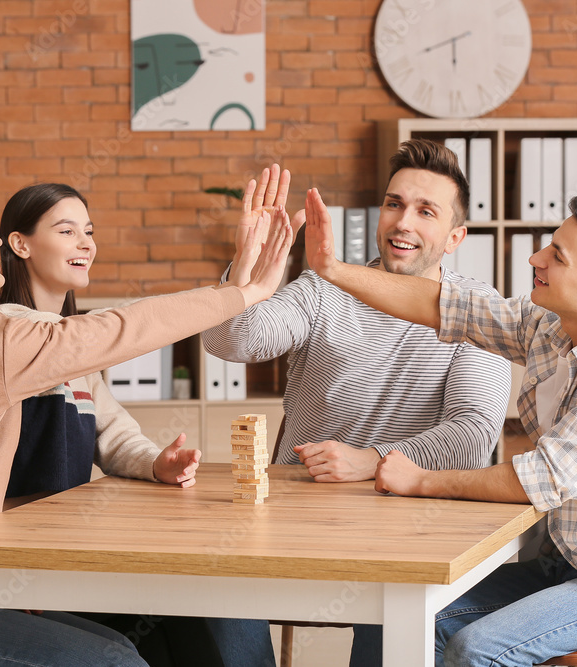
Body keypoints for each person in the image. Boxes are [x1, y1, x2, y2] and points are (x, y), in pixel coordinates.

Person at [0, 186, 293, 667]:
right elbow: (122, 327)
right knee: (118, 661)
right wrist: (246, 292)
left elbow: (110, 413)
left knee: (142, 641)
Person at [303, 187, 577, 666]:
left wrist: (420, 480)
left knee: (474, 648)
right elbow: (445, 304)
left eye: (557, 256)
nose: (535, 257)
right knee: (398, 614)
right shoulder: (553, 325)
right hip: (562, 561)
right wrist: (333, 271)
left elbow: (540, 478)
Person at [201, 142, 512, 664]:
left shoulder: (477, 313)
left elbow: (474, 431)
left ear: (455, 237)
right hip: (296, 522)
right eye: (394, 204)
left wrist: (373, 462)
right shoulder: (324, 290)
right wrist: (247, 268)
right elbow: (231, 343)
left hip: (408, 527)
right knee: (212, 582)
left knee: (402, 611)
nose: (402, 222)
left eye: (425, 211)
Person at [0, 182, 277, 667]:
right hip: (21, 568)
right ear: (20, 245)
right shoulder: (6, 334)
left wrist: (155, 461)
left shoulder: (74, 353)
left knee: (201, 602)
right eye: (67, 231)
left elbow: (114, 433)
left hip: (64, 556)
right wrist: (238, 292)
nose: (86, 243)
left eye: (89, 231)